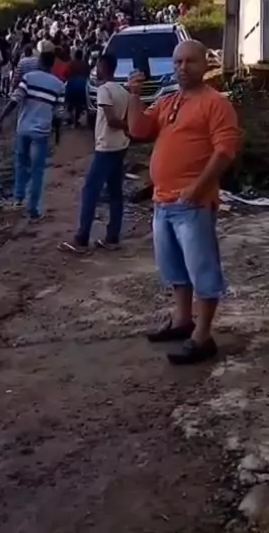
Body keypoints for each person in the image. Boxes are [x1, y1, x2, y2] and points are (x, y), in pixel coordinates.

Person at [127, 39, 240, 365]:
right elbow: (139, 129)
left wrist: (198, 187)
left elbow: (225, 151)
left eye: (190, 61)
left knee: (203, 271)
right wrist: (134, 94)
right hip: (163, 202)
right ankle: (182, 321)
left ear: (205, 64)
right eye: (177, 62)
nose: (182, 67)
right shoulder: (169, 101)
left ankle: (202, 337)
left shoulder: (215, 103)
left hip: (193, 204)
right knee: (175, 269)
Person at [61, 53, 129, 252]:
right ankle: (112, 237)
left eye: (98, 66)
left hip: (106, 146)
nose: (96, 70)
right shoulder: (122, 91)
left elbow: (111, 120)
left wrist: (126, 126)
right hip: (120, 145)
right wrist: (128, 128)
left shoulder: (104, 90)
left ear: (104, 67)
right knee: (115, 193)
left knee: (90, 191)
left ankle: (82, 238)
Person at [0, 41, 65, 221]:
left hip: (23, 130)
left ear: (40, 61)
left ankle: (18, 199)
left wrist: (1, 119)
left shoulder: (29, 78)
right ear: (52, 64)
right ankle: (33, 210)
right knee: (37, 171)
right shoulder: (59, 85)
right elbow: (58, 114)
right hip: (41, 133)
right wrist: (58, 135)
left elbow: (15, 100)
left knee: (21, 164)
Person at [65, 48, 89, 126]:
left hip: (72, 84)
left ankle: (72, 119)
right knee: (80, 104)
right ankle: (76, 119)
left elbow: (66, 74)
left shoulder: (70, 63)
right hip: (83, 85)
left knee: (69, 103)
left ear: (75, 55)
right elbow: (88, 74)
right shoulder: (85, 64)